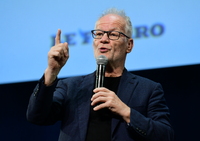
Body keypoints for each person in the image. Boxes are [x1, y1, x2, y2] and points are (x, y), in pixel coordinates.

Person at [27, 8, 174, 141]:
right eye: (98, 34)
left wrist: (126, 111)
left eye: (113, 34)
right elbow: (37, 116)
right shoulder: (70, 86)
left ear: (129, 45)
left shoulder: (148, 89)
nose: (103, 39)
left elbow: (165, 135)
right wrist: (52, 72)